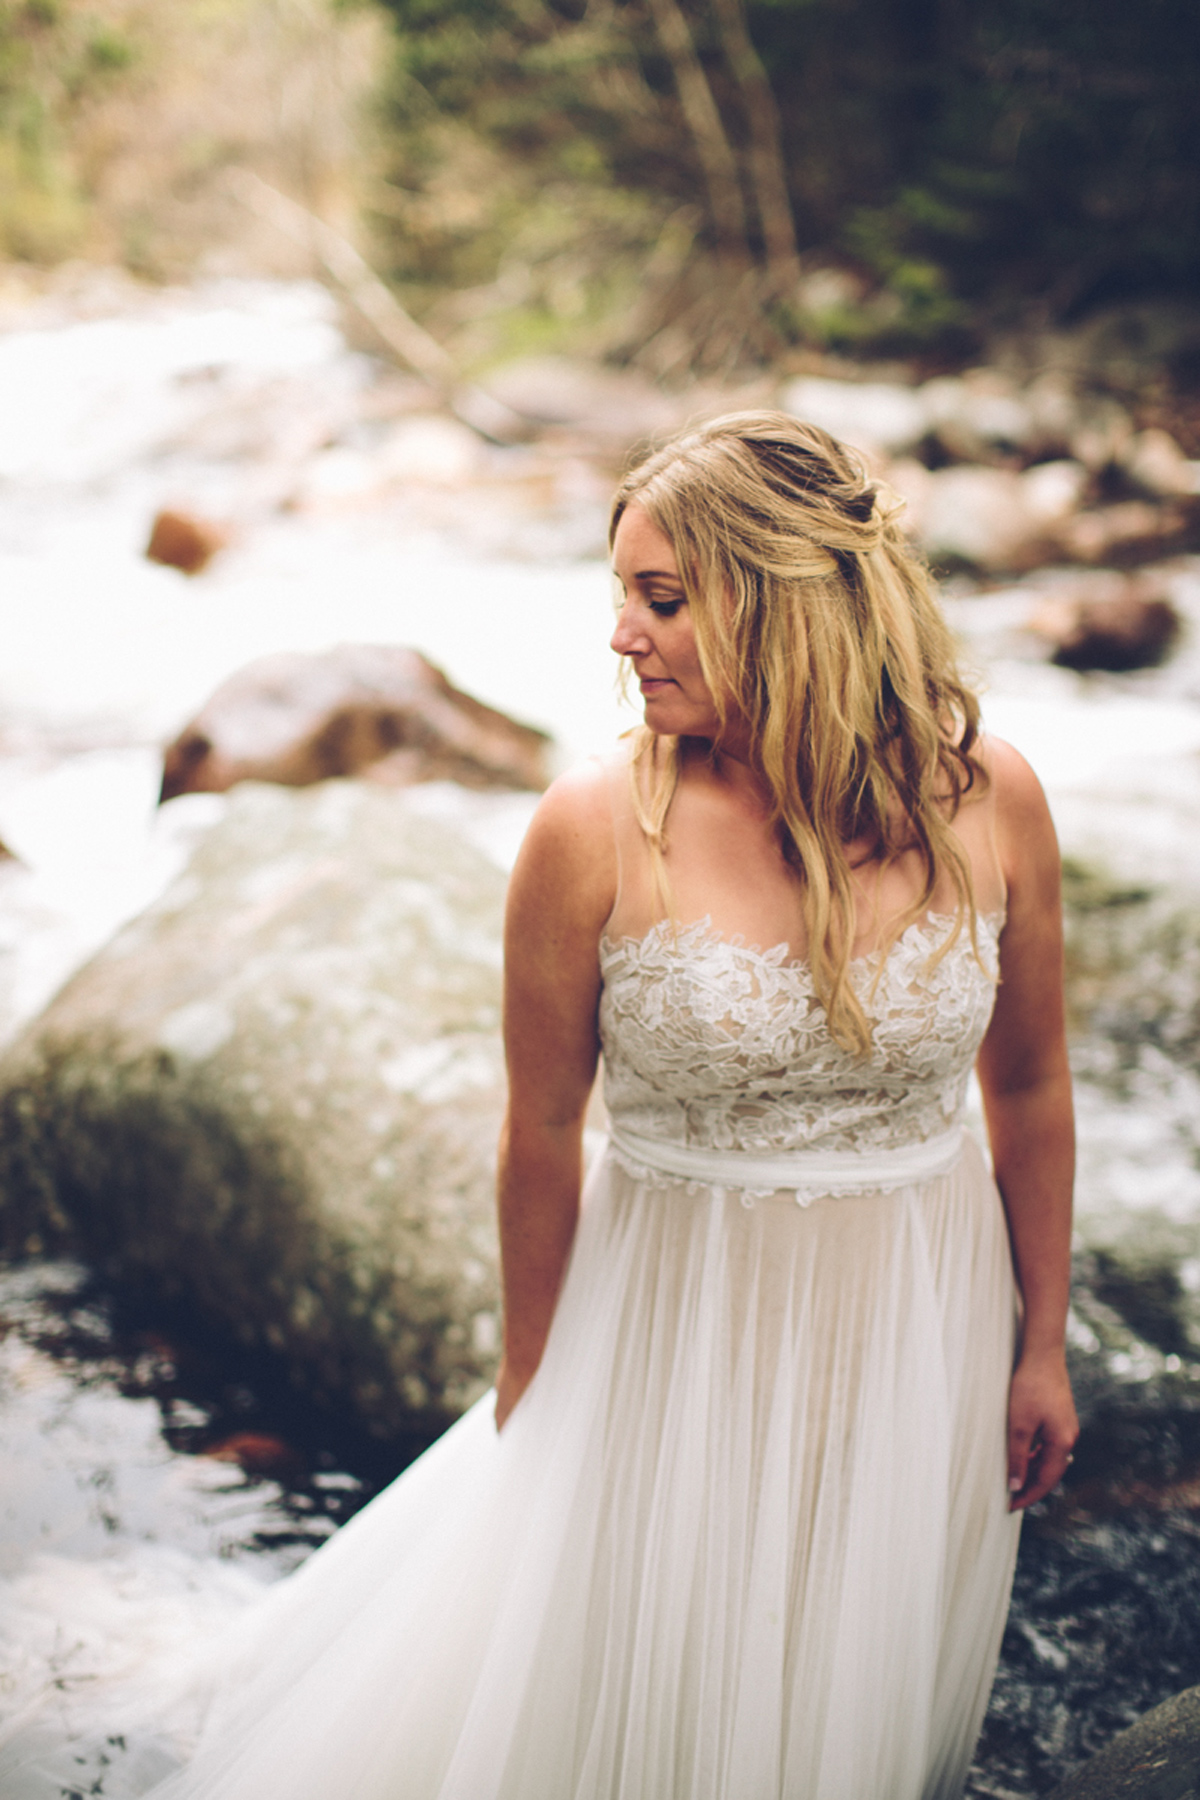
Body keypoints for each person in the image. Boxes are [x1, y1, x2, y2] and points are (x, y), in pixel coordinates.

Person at [1, 411, 1078, 1800]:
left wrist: (1040, 1342)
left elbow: (1035, 1084)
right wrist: (537, 1380)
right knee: (654, 1690)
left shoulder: (988, 799)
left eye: (663, 599)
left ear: (787, 602)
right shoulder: (588, 830)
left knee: (840, 1696)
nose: (623, 638)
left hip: (923, 1314)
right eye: (619, 596)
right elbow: (539, 1128)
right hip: (672, 1319)